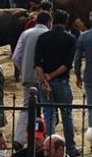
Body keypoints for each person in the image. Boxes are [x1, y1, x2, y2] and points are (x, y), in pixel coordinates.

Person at [34, 9, 79, 156]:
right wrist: (51, 76)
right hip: (61, 81)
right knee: (67, 116)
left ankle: (49, 148)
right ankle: (70, 149)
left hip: (44, 81)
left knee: (49, 115)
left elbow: (37, 63)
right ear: (66, 22)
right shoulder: (70, 39)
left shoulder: (43, 37)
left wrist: (44, 80)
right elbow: (67, 64)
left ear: (53, 21)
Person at [11, 11, 51, 145]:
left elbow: (16, 56)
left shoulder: (26, 33)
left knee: (27, 107)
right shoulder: (48, 34)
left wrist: (24, 69)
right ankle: (44, 140)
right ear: (49, 22)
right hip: (46, 77)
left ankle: (19, 138)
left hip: (28, 76)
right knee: (48, 107)